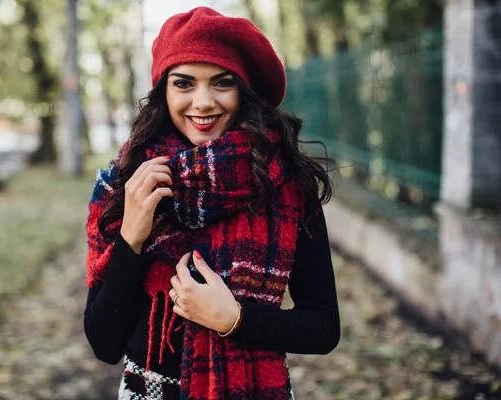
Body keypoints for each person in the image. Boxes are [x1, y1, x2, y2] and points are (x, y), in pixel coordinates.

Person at [84, 7, 340, 400]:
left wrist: (234, 319)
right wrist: (131, 237)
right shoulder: (126, 184)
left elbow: (324, 328)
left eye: (222, 83)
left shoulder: (286, 187)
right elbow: (103, 343)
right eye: (184, 84)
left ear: (244, 91)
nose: (202, 102)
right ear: (163, 92)